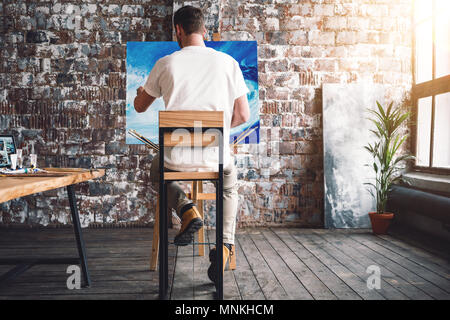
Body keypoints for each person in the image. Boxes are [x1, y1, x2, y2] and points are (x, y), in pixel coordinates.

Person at [133, 5, 250, 283]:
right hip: (215, 157)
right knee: (229, 182)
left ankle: (186, 209)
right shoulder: (228, 63)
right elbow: (243, 115)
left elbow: (139, 107)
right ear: (204, 30)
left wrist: (141, 92)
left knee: (155, 170)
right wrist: (215, 130)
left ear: (178, 31)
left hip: (176, 159)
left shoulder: (166, 63)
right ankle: (224, 246)